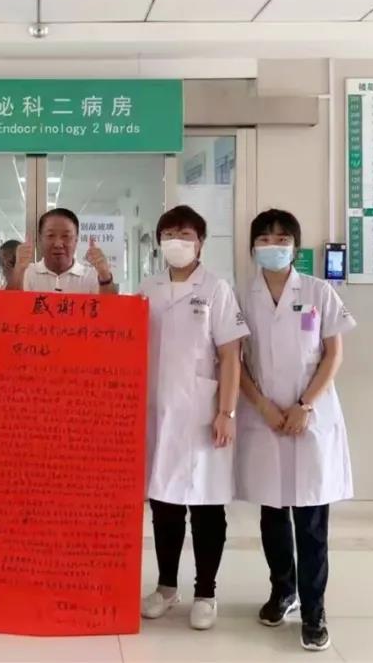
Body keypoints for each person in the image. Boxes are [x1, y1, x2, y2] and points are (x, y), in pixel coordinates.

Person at [235, 209, 356, 652]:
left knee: (311, 520)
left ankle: (314, 610)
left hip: (311, 418)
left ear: (296, 247)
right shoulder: (240, 296)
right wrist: (263, 406)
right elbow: (234, 361)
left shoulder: (319, 292)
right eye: (265, 238)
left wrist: (305, 405)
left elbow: (332, 355)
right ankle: (282, 590)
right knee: (272, 514)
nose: (274, 245)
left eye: (282, 238)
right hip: (263, 417)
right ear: (253, 247)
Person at [139, 205, 249, 631]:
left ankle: (206, 592)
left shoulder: (217, 289)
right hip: (158, 411)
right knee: (164, 504)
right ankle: (167, 587)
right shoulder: (148, 288)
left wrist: (227, 411)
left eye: (185, 234)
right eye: (169, 234)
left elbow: (231, 355)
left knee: (206, 507)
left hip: (204, 412)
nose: (177, 242)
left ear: (201, 242)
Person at [10, 207, 117, 294]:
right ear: (40, 238)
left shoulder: (92, 276)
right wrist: (18, 269)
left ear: (76, 240)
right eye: (50, 235)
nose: (58, 244)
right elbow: (9, 308)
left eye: (66, 236)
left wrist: (104, 274)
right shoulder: (27, 273)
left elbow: (111, 309)